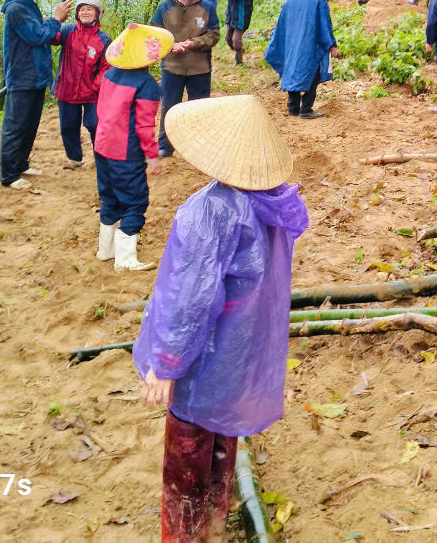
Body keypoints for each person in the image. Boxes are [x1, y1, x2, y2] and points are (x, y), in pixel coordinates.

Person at [137, 94, 308, 543]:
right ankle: (215, 516)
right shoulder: (274, 201)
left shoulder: (208, 211)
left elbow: (190, 299)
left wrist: (167, 363)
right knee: (220, 437)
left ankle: (187, 534)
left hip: (205, 352)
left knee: (187, 450)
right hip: (242, 349)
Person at [94, 23, 171, 270]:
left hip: (103, 145)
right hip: (125, 151)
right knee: (136, 201)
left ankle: (105, 250)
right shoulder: (147, 85)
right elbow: (144, 127)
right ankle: (125, 260)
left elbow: (102, 109)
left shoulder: (109, 74)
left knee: (109, 198)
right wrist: (152, 156)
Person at [0, 0, 71, 190]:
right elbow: (37, 36)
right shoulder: (16, 10)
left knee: (30, 124)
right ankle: (9, 175)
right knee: (16, 125)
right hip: (22, 76)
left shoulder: (28, 6)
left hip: (36, 75)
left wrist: (51, 22)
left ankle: (21, 164)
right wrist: (56, 19)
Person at [151, 0, 220, 157]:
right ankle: (166, 145)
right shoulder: (164, 8)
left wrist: (193, 43)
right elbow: (154, 33)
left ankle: (198, 144)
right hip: (172, 66)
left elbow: (214, 35)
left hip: (200, 67)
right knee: (169, 106)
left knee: (199, 107)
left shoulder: (207, 7)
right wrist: (170, 46)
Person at [264, 0, 338, 118]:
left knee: (292, 70)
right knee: (314, 73)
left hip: (292, 44)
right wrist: (332, 44)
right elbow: (325, 24)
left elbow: (282, 25)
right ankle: (306, 109)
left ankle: (293, 108)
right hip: (311, 44)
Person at [52, 0, 111, 168]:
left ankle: (100, 157)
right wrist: (53, 20)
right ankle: (74, 158)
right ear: (77, 14)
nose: (85, 12)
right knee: (68, 126)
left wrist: (95, 86)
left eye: (90, 9)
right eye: (82, 9)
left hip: (92, 92)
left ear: (97, 14)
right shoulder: (67, 31)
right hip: (66, 88)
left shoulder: (103, 39)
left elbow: (107, 66)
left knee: (94, 124)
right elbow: (50, 38)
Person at [220, 0, 256, 66]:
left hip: (242, 15)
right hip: (231, 14)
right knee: (228, 38)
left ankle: (239, 60)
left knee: (236, 39)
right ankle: (239, 49)